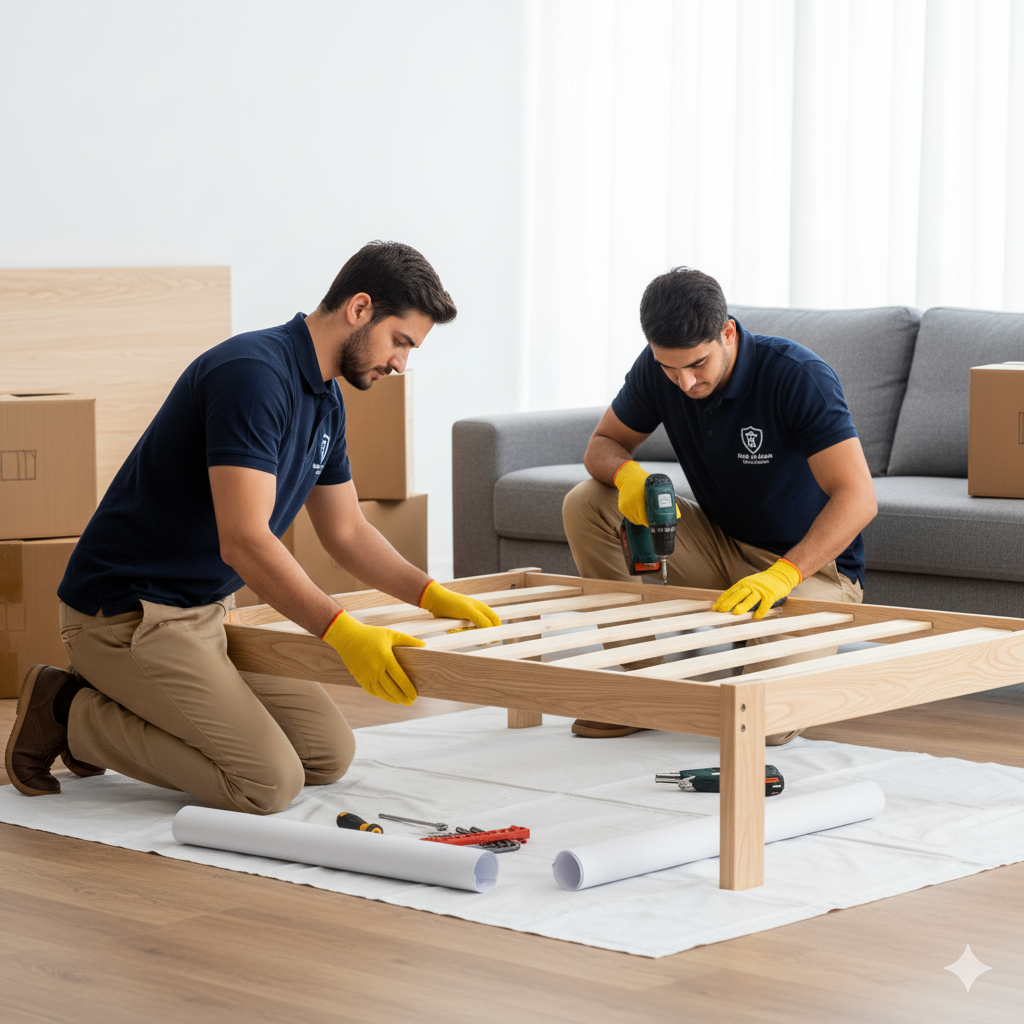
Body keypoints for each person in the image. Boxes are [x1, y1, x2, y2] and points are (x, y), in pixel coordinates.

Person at [5, 241, 500, 812]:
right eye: (401, 342)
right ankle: (68, 711)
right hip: (126, 615)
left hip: (207, 615)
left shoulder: (325, 402)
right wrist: (341, 630)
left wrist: (431, 593)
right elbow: (243, 540)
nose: (400, 364)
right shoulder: (253, 375)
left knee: (326, 755)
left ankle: (125, 700)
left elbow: (346, 531)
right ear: (360, 309)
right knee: (267, 783)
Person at [562, 267, 877, 742]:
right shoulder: (658, 370)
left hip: (812, 570)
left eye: (698, 365)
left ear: (727, 333)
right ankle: (640, 688)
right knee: (588, 500)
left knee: (762, 726)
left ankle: (768, 637)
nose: (685, 382)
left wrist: (783, 574)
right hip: (722, 544)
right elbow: (604, 443)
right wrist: (626, 475)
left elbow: (859, 498)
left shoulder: (797, 376)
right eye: (671, 368)